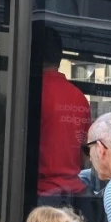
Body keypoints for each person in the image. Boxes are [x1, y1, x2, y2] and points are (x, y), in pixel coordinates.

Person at [35, 23, 91, 199]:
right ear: (59, 57)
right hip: (74, 194)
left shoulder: (32, 93)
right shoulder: (80, 98)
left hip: (39, 194)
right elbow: (85, 155)